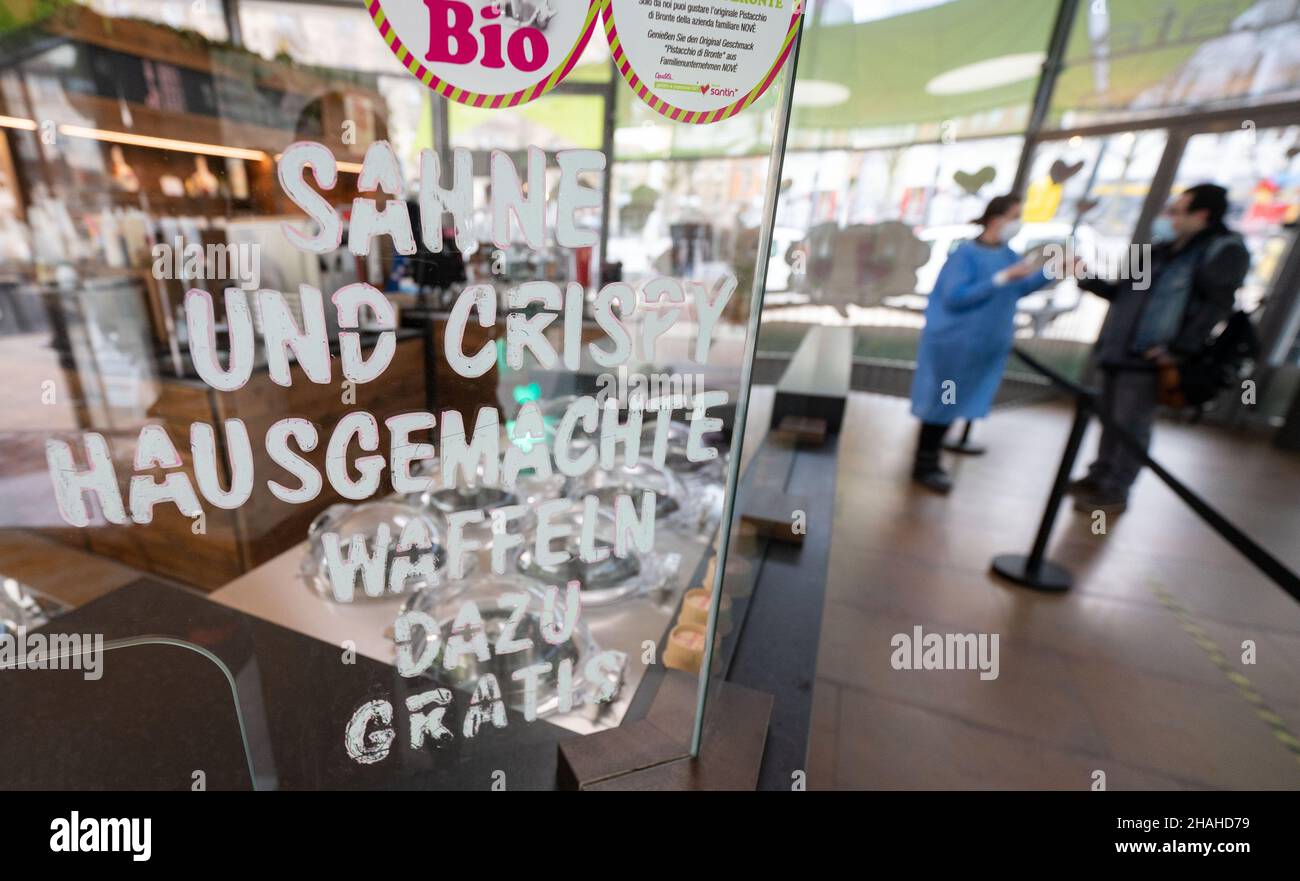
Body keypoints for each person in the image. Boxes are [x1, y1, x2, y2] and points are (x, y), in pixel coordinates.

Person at [1069, 183, 1249, 514]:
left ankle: (1115, 489)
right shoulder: (1156, 250)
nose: (1168, 218)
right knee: (1111, 419)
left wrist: (1177, 350)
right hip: (1117, 349)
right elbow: (1120, 293)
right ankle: (1099, 475)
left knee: (1132, 424)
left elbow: (1215, 307)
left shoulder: (1222, 251)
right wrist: (1084, 276)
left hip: (1150, 357)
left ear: (1202, 215)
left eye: (1177, 211)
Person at [909, 194, 1058, 493]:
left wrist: (1053, 271)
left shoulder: (1008, 254)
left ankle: (934, 453)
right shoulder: (966, 255)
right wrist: (1001, 278)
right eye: (1014, 216)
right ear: (996, 218)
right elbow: (955, 297)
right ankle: (925, 463)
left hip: (983, 346)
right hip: (954, 345)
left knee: (954, 403)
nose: (1018, 223)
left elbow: (1022, 286)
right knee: (943, 403)